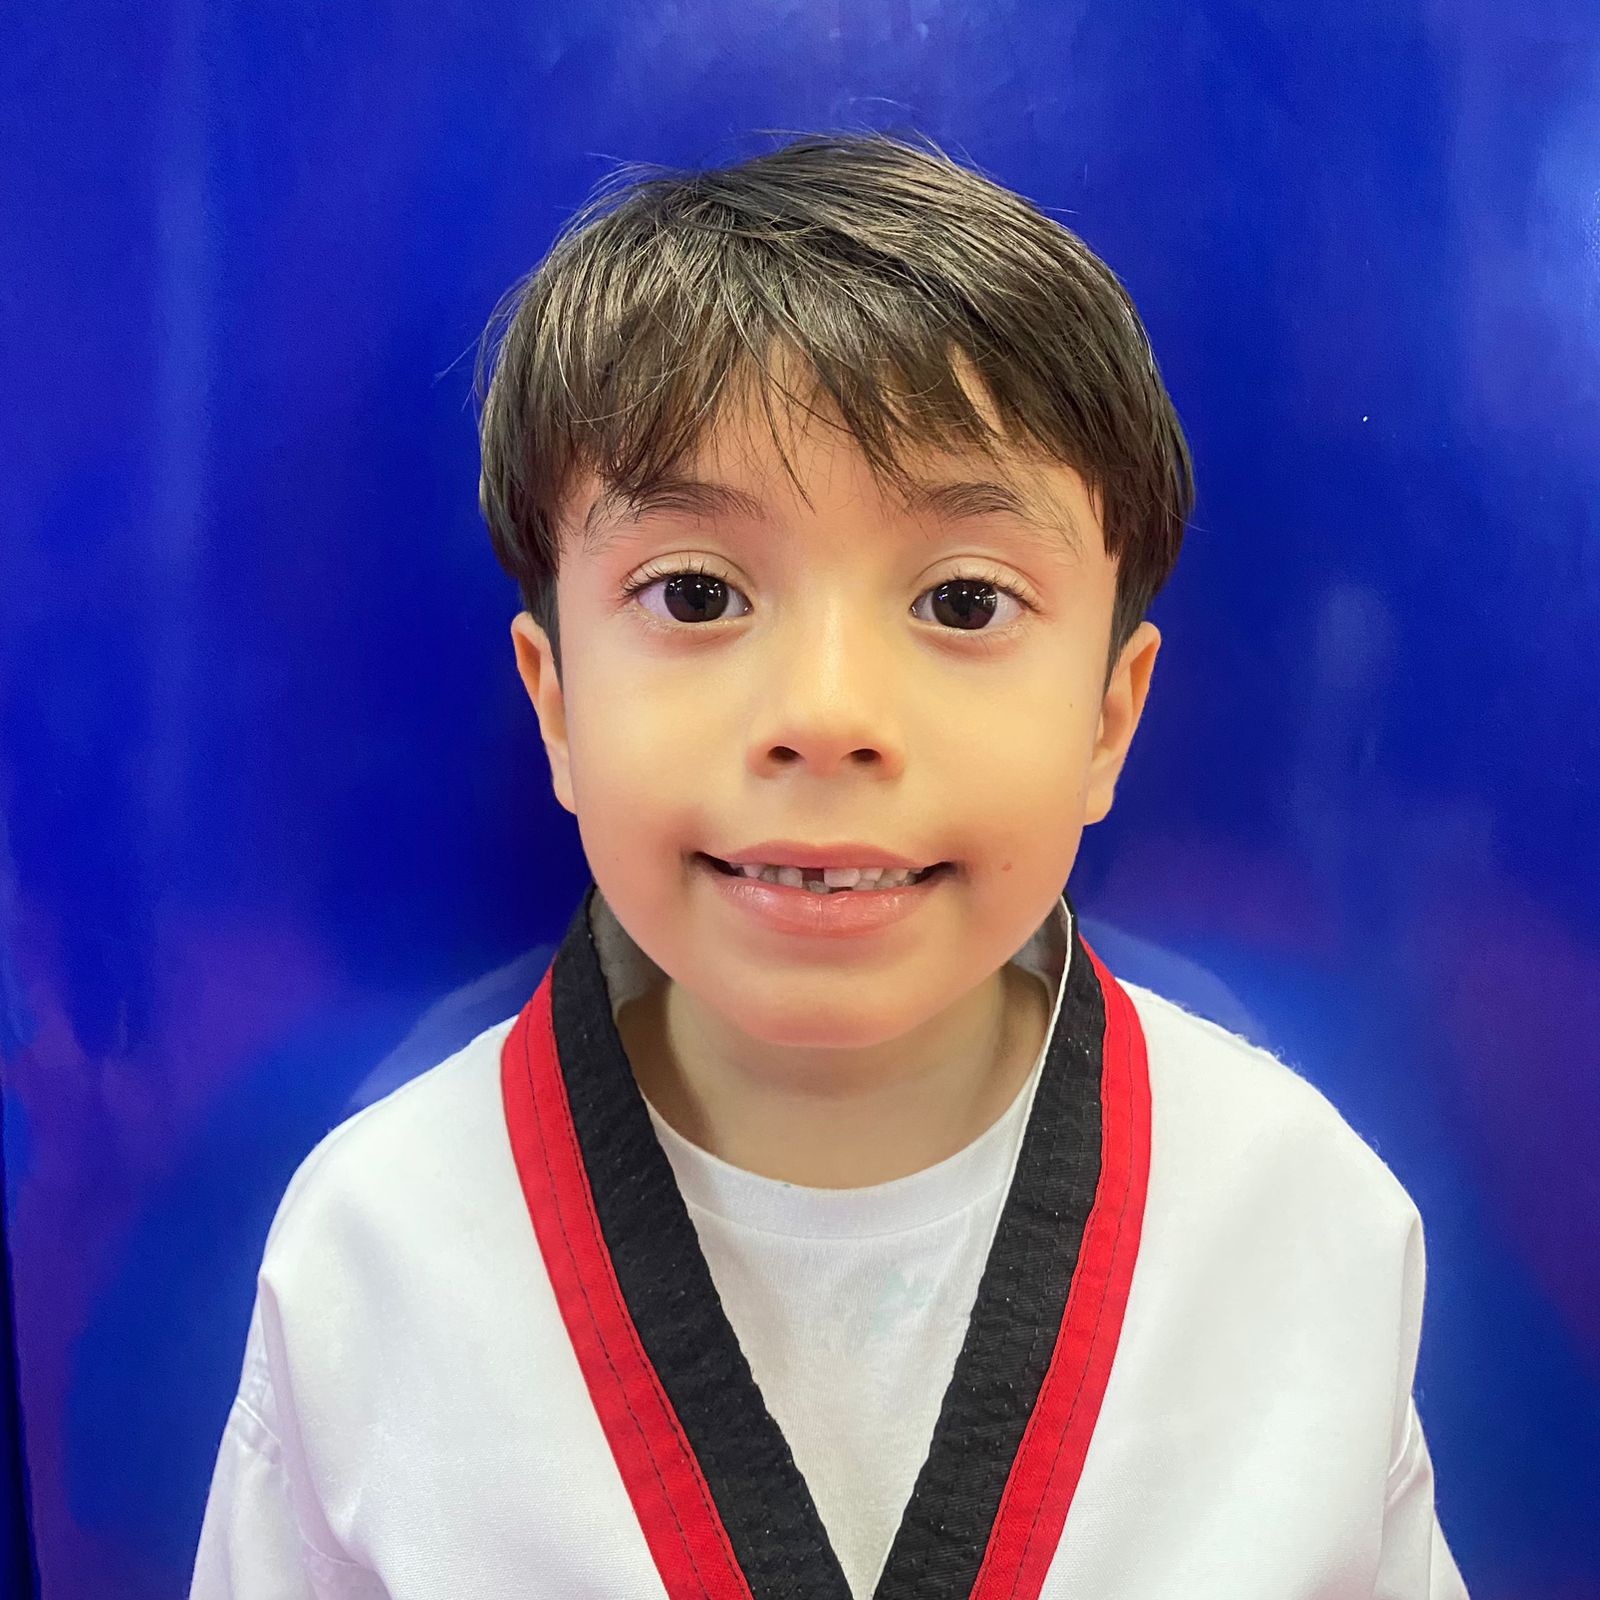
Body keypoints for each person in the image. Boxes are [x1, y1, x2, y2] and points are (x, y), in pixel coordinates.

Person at [191, 130, 1469, 1599]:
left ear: (1109, 722)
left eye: (965, 601)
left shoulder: (1309, 1226)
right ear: (557, 707)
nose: (826, 713)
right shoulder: (375, 1251)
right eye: (695, 592)